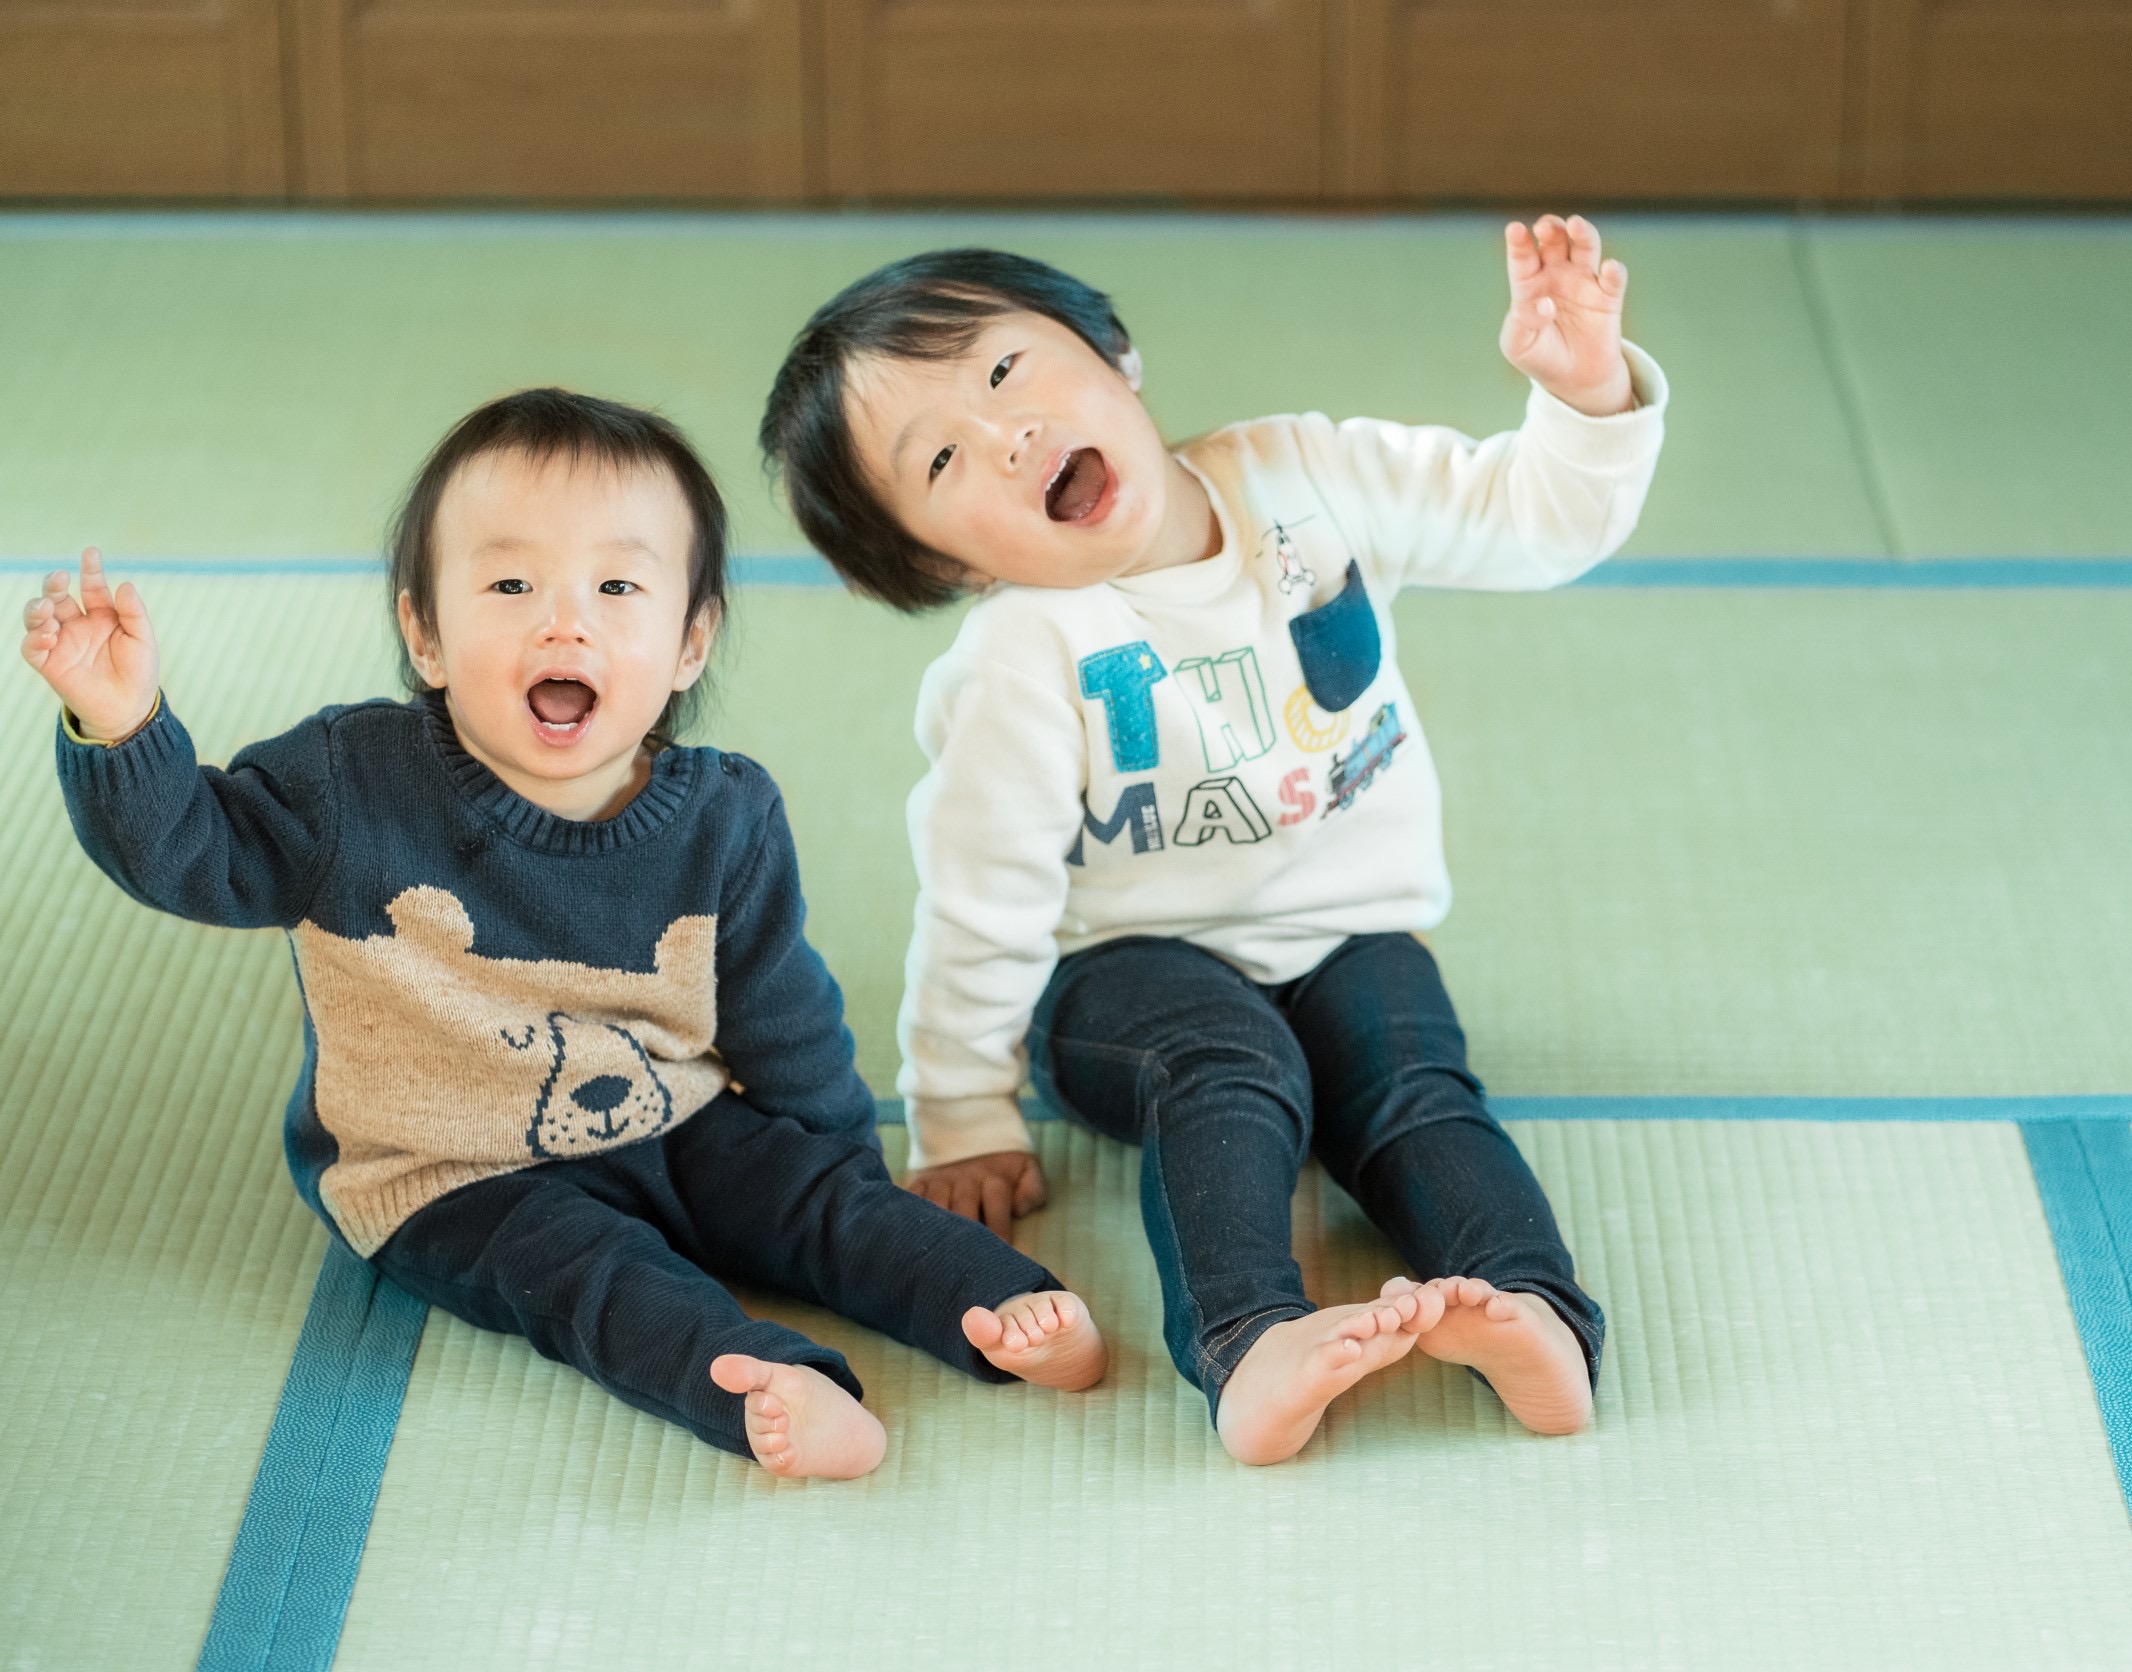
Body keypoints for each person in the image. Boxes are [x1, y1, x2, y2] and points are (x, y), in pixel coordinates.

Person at [20, 389, 1104, 1480]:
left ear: (690, 642)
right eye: (509, 583)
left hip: (669, 1115)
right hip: (444, 1170)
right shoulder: (350, 784)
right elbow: (188, 853)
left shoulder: (726, 815)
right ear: (424, 635)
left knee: (818, 1199)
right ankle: (759, 1383)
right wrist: (122, 725)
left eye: (618, 585)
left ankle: (998, 1302)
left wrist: (840, 1175)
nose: (564, 619)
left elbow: (782, 1011)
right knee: (594, 1279)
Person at [758, 215, 1664, 1464]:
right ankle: (1249, 1341)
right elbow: (983, 895)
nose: (1008, 432)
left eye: (1007, 372)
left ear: (1112, 352)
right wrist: (962, 1106)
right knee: (1231, 1067)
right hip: (1124, 969)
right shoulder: (1024, 659)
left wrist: (1582, 397)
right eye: (944, 461)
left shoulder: (1308, 476)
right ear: (944, 566)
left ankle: (1538, 1316)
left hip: (1346, 928)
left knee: (1416, 1090)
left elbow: (1536, 519)